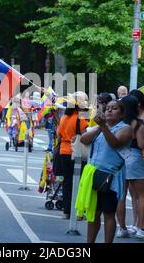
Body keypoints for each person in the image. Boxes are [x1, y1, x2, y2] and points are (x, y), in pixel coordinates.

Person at [80, 100, 132, 243]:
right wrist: (100, 126)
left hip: (111, 177)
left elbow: (115, 143)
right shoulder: (101, 127)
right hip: (94, 175)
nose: (109, 111)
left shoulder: (125, 128)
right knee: (93, 213)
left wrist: (104, 127)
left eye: (114, 109)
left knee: (109, 213)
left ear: (121, 114)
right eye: (107, 108)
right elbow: (84, 140)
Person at [115, 95, 144, 240]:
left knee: (121, 195)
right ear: (136, 107)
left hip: (120, 157)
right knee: (141, 195)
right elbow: (141, 144)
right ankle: (142, 228)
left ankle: (122, 227)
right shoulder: (138, 122)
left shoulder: (119, 122)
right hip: (135, 157)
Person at [57, 91, 89, 219]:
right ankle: (78, 212)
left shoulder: (64, 117)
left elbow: (59, 134)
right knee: (79, 182)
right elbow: (86, 136)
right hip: (77, 153)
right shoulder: (81, 119)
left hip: (64, 151)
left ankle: (66, 211)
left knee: (67, 182)